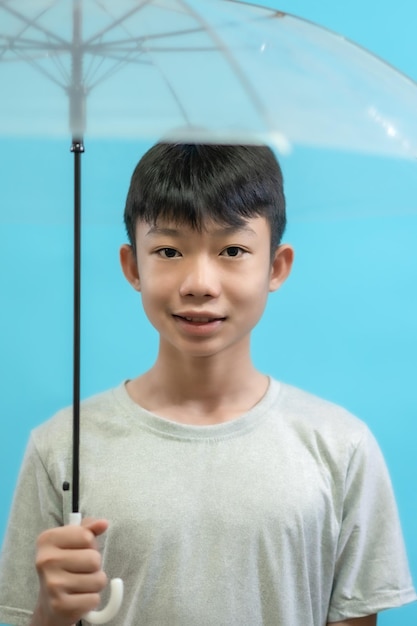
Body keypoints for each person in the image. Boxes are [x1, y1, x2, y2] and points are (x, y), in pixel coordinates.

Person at [0, 143, 415, 626]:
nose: (199, 282)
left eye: (233, 250)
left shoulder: (342, 448)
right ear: (133, 266)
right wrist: (50, 613)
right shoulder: (60, 447)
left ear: (276, 267)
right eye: (169, 251)